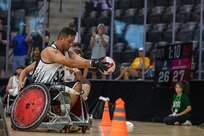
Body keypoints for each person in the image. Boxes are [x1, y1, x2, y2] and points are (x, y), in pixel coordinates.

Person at [19, 27, 109, 114]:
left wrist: (95, 62)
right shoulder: (49, 51)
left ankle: (62, 114)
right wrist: (20, 81)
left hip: (54, 88)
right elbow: (69, 62)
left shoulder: (68, 53)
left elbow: (81, 60)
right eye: (69, 42)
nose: (70, 45)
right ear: (61, 38)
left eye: (72, 42)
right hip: (40, 87)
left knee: (78, 86)